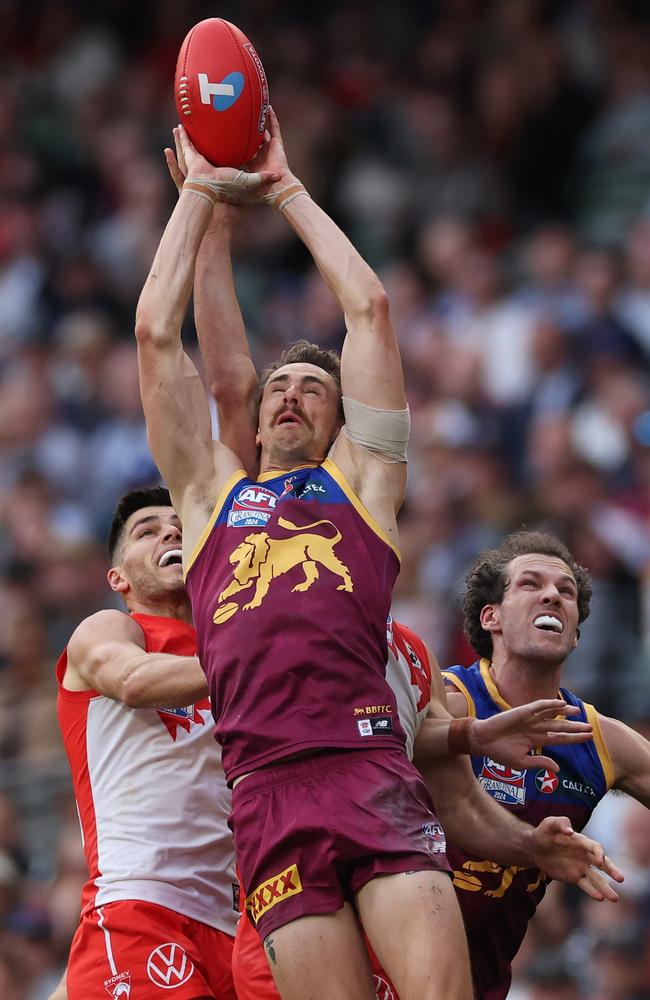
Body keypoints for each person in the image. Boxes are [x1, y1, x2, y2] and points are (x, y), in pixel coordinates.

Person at [134, 113, 621, 1000]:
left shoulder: (364, 488)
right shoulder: (209, 500)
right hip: (265, 793)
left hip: (366, 770)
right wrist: (199, 196)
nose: (289, 396)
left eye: (313, 389)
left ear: (340, 422)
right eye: (277, 386)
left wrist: (285, 188)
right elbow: (155, 337)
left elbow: (371, 308)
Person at [443, 530, 650, 1000]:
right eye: (530, 584)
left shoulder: (600, 740)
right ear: (490, 616)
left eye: (566, 592)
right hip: (381, 959)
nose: (553, 595)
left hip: (483, 980)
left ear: (576, 634)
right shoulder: (446, 701)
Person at [50, 487, 238, 1000]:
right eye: (147, 531)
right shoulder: (111, 628)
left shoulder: (234, 648)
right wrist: (254, 662)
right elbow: (131, 680)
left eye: (179, 526)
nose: (171, 533)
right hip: (141, 906)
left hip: (234, 927)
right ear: (119, 578)